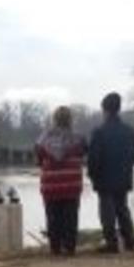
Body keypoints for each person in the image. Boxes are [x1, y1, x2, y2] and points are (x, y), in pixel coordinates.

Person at [87, 92, 134, 253]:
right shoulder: (129, 131)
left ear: (105, 110)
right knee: (122, 208)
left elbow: (93, 158)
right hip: (123, 176)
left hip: (104, 178)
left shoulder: (99, 132)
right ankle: (129, 240)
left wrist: (92, 175)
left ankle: (111, 242)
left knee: (107, 212)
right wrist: (126, 166)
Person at [34, 106, 86, 256]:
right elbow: (83, 154)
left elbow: (38, 160)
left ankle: (55, 248)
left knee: (52, 216)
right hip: (72, 183)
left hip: (51, 184)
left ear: (54, 119)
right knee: (71, 216)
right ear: (70, 119)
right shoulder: (79, 138)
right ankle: (70, 247)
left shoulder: (43, 139)